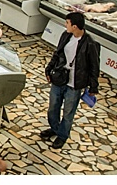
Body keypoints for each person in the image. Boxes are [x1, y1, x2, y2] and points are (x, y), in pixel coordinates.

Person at [43, 13, 100, 149]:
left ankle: (62, 135)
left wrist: (93, 87)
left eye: (67, 23)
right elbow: (57, 54)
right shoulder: (65, 36)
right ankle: (55, 128)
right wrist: (49, 69)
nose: (65, 25)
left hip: (75, 84)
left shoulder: (90, 44)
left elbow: (94, 67)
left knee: (68, 112)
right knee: (53, 108)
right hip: (60, 78)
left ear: (75, 26)